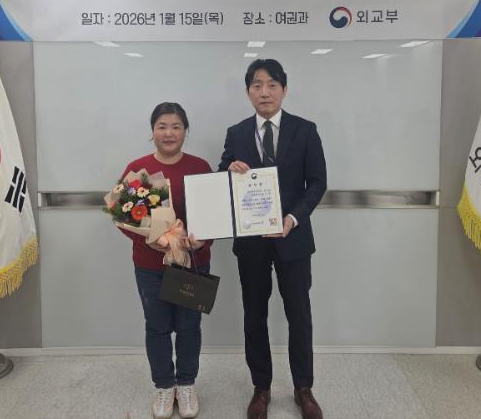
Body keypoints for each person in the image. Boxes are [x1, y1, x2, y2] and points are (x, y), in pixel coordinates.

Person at [219, 59, 327, 419]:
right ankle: (261, 388)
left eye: (272, 85)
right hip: (251, 242)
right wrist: (229, 170)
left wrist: (292, 219)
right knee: (254, 314)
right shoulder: (236, 133)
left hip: (293, 239)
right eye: (257, 85)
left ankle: (303, 388)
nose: (264, 92)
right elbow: (222, 178)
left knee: (300, 315)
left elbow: (317, 183)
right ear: (248, 91)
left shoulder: (305, 130)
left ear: (284, 89)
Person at [118, 102, 211, 419]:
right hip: (150, 265)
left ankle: (186, 384)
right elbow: (124, 219)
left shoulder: (200, 167)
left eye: (176, 126)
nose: (169, 133)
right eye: (162, 126)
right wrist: (153, 240)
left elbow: (214, 214)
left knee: (189, 327)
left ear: (185, 131)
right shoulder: (139, 169)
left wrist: (202, 241)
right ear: (152, 131)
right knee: (157, 327)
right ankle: (163, 386)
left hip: (192, 263)